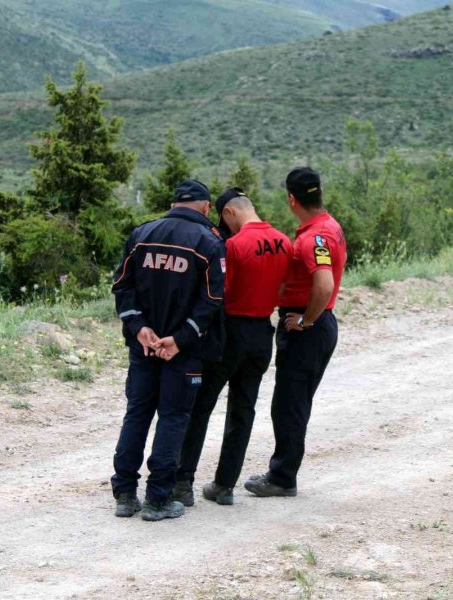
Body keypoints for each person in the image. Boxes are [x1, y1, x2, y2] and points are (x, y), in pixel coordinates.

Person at [110, 179, 226, 522]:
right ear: (206, 207)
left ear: (174, 203)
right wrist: (180, 339)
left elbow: (122, 287)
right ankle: (158, 499)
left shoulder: (142, 234)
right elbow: (213, 300)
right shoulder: (209, 242)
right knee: (173, 418)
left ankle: (125, 494)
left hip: (143, 346)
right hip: (183, 351)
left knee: (138, 413)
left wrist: (140, 328)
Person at [172, 188, 291, 507]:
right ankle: (224, 486)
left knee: (201, 407)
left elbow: (219, 293)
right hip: (262, 333)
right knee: (243, 410)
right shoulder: (284, 241)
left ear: (229, 213)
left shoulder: (234, 245)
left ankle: (182, 483)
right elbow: (283, 287)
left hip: (230, 332)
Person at [244, 167, 347, 498]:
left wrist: (305, 320)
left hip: (308, 328)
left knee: (289, 405)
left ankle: (282, 477)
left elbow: (324, 283)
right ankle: (283, 472)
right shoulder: (327, 226)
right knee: (294, 402)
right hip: (317, 324)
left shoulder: (313, 238)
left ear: (292, 199)